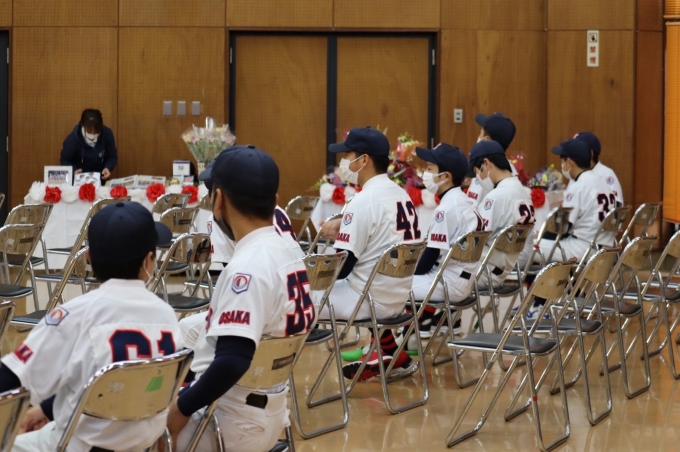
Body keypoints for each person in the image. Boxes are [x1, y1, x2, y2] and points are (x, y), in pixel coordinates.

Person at [167, 145, 315, 452]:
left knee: (125, 434)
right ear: (275, 201)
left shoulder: (248, 265)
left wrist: (180, 410)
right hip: (267, 408)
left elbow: (233, 360)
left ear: (218, 199)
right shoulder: (287, 249)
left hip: (228, 417)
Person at [0, 202, 179, 452]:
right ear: (149, 260)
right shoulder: (167, 315)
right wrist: (48, 408)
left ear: (89, 258)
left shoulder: (75, 315)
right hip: (142, 445)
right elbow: (121, 385)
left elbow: (11, 377)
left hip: (77, 445)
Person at [318, 126, 419, 381]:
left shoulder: (363, 200)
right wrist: (344, 227)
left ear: (364, 160)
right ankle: (391, 352)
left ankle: (274, 381)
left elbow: (342, 267)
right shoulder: (401, 194)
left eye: (347, 155)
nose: (343, 162)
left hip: (368, 300)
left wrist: (305, 274)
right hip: (399, 295)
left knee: (295, 295)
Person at [410, 143, 485, 338]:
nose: (425, 173)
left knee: (384, 287)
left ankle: (393, 346)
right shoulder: (465, 201)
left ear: (445, 176)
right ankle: (408, 337)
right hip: (463, 281)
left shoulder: (446, 208)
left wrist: (409, 275)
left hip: (448, 284)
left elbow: (430, 255)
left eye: (429, 168)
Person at [469, 140, 535, 294]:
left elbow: (473, 241)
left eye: (477, 172)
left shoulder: (497, 197)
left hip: (483, 271)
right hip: (503, 267)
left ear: (486, 164)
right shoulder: (523, 192)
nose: (478, 178)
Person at [539, 138, 618, 262]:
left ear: (570, 162)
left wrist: (540, 236)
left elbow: (563, 229)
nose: (562, 165)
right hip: (605, 248)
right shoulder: (602, 183)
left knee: (530, 247)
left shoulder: (578, 186)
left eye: (562, 161)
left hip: (583, 248)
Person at [466, 112, 518, 206]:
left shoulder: (486, 169)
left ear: (487, 140)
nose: (478, 136)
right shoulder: (508, 169)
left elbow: (472, 209)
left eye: (480, 133)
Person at [60, 108, 118, 180]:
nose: (93, 134)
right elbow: (65, 160)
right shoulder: (73, 139)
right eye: (89, 131)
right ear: (82, 126)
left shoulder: (107, 134)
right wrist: (74, 170)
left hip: (101, 178)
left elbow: (112, 156)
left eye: (96, 131)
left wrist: (108, 167)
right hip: (80, 179)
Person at [573, 131, 624, 206]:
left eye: (577, 151)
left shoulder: (606, 174)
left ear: (590, 153)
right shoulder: (574, 174)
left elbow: (617, 206)